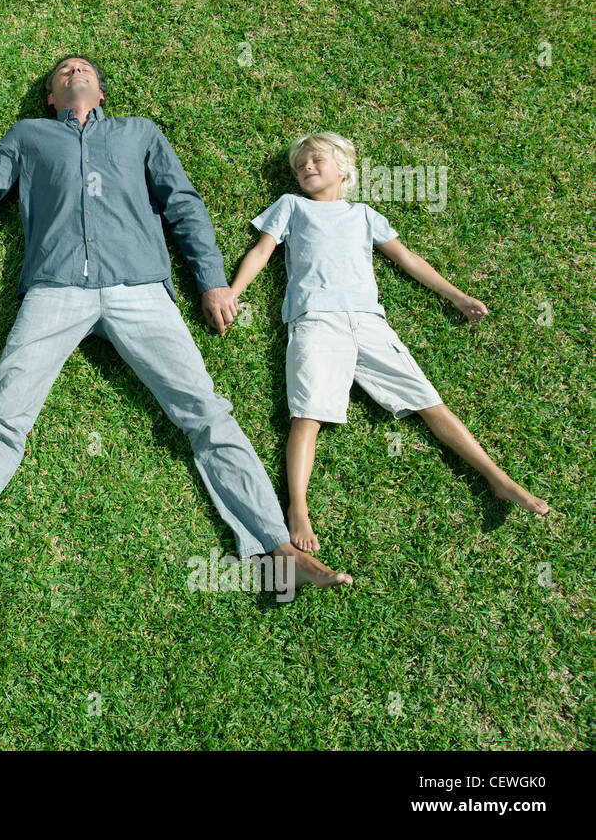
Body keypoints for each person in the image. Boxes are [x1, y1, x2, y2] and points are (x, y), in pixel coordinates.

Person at [0, 55, 351, 601]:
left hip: (141, 289)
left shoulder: (139, 133)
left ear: (100, 90)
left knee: (207, 413)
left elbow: (182, 204)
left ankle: (278, 551)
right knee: (3, 416)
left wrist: (211, 280)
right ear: (51, 98)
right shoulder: (29, 136)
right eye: (62, 74)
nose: (74, 74)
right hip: (53, 289)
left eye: (83, 70)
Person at [229, 131, 549, 551]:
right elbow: (262, 251)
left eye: (315, 161)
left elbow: (407, 258)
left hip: (369, 322)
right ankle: (298, 508)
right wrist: (233, 293)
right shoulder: (291, 207)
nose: (305, 168)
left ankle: (499, 479)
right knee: (308, 415)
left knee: (430, 402)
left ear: (344, 169)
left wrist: (457, 296)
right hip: (316, 321)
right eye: (299, 165)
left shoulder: (363, 215)